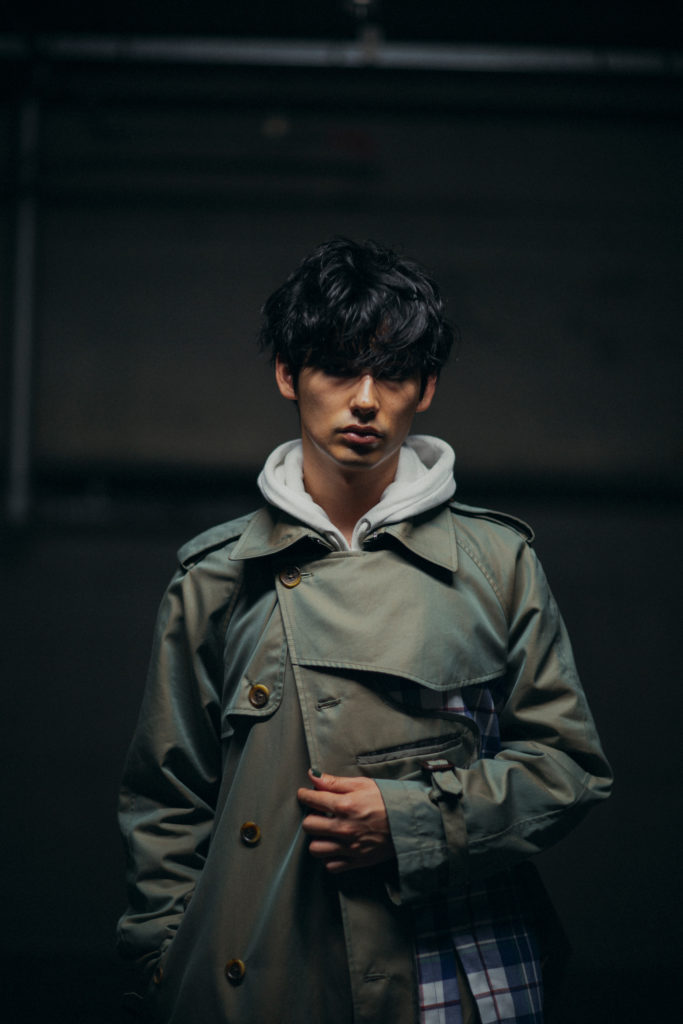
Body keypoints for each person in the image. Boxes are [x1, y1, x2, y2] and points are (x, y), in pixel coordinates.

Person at [117, 237, 612, 1024]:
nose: (365, 399)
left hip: (453, 967)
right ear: (288, 375)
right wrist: (162, 957)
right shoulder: (214, 577)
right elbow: (167, 797)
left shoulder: (496, 562)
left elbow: (568, 766)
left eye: (395, 373)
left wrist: (414, 821)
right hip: (254, 972)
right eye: (338, 368)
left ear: (427, 388)